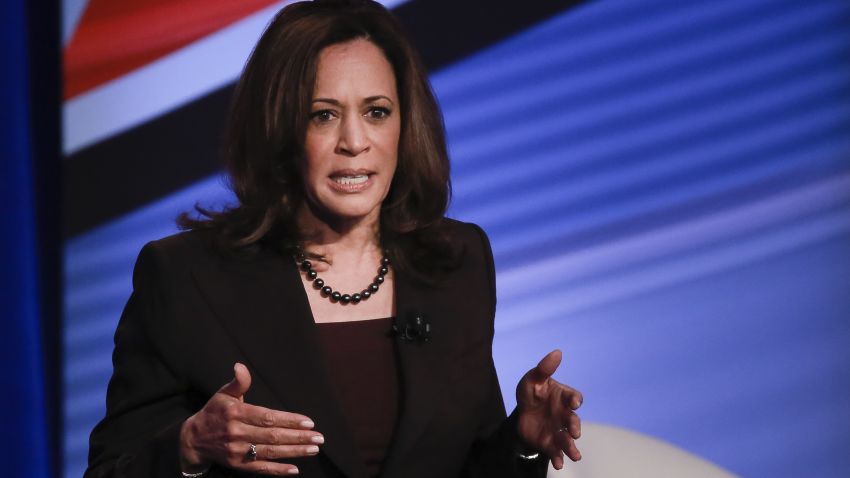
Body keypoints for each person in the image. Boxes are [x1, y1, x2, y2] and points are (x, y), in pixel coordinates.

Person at [84, 1, 583, 477]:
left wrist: (520, 441)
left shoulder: (458, 262)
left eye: (377, 111)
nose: (354, 141)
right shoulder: (185, 277)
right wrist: (190, 447)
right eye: (322, 114)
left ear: (405, 125)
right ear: (280, 127)